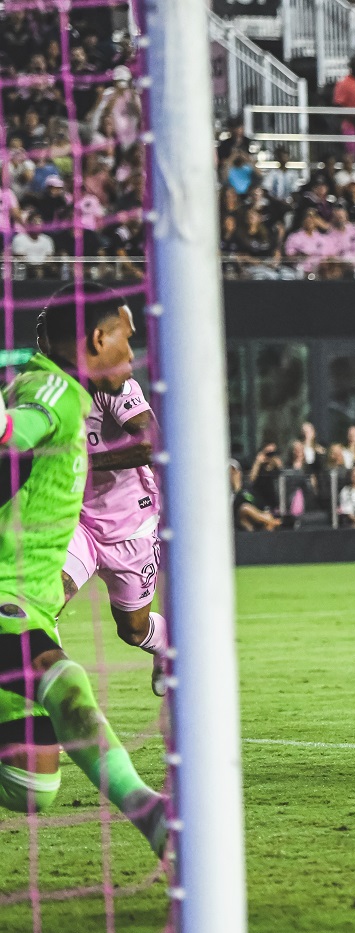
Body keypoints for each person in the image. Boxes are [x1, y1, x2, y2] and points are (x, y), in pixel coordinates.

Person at [0, 285, 167, 855]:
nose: (132, 347)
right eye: (125, 335)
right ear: (98, 338)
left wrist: (78, 458)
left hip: (129, 526)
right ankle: (152, 814)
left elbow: (150, 439)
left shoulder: (94, 391)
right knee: (60, 672)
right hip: (42, 563)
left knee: (32, 786)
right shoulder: (51, 387)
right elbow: (11, 434)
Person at [60, 350, 172, 696]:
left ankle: (169, 649)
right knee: (44, 600)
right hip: (76, 521)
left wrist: (85, 463)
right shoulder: (42, 391)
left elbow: (152, 443)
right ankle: (51, 693)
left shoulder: (112, 384)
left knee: (133, 630)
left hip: (131, 524)